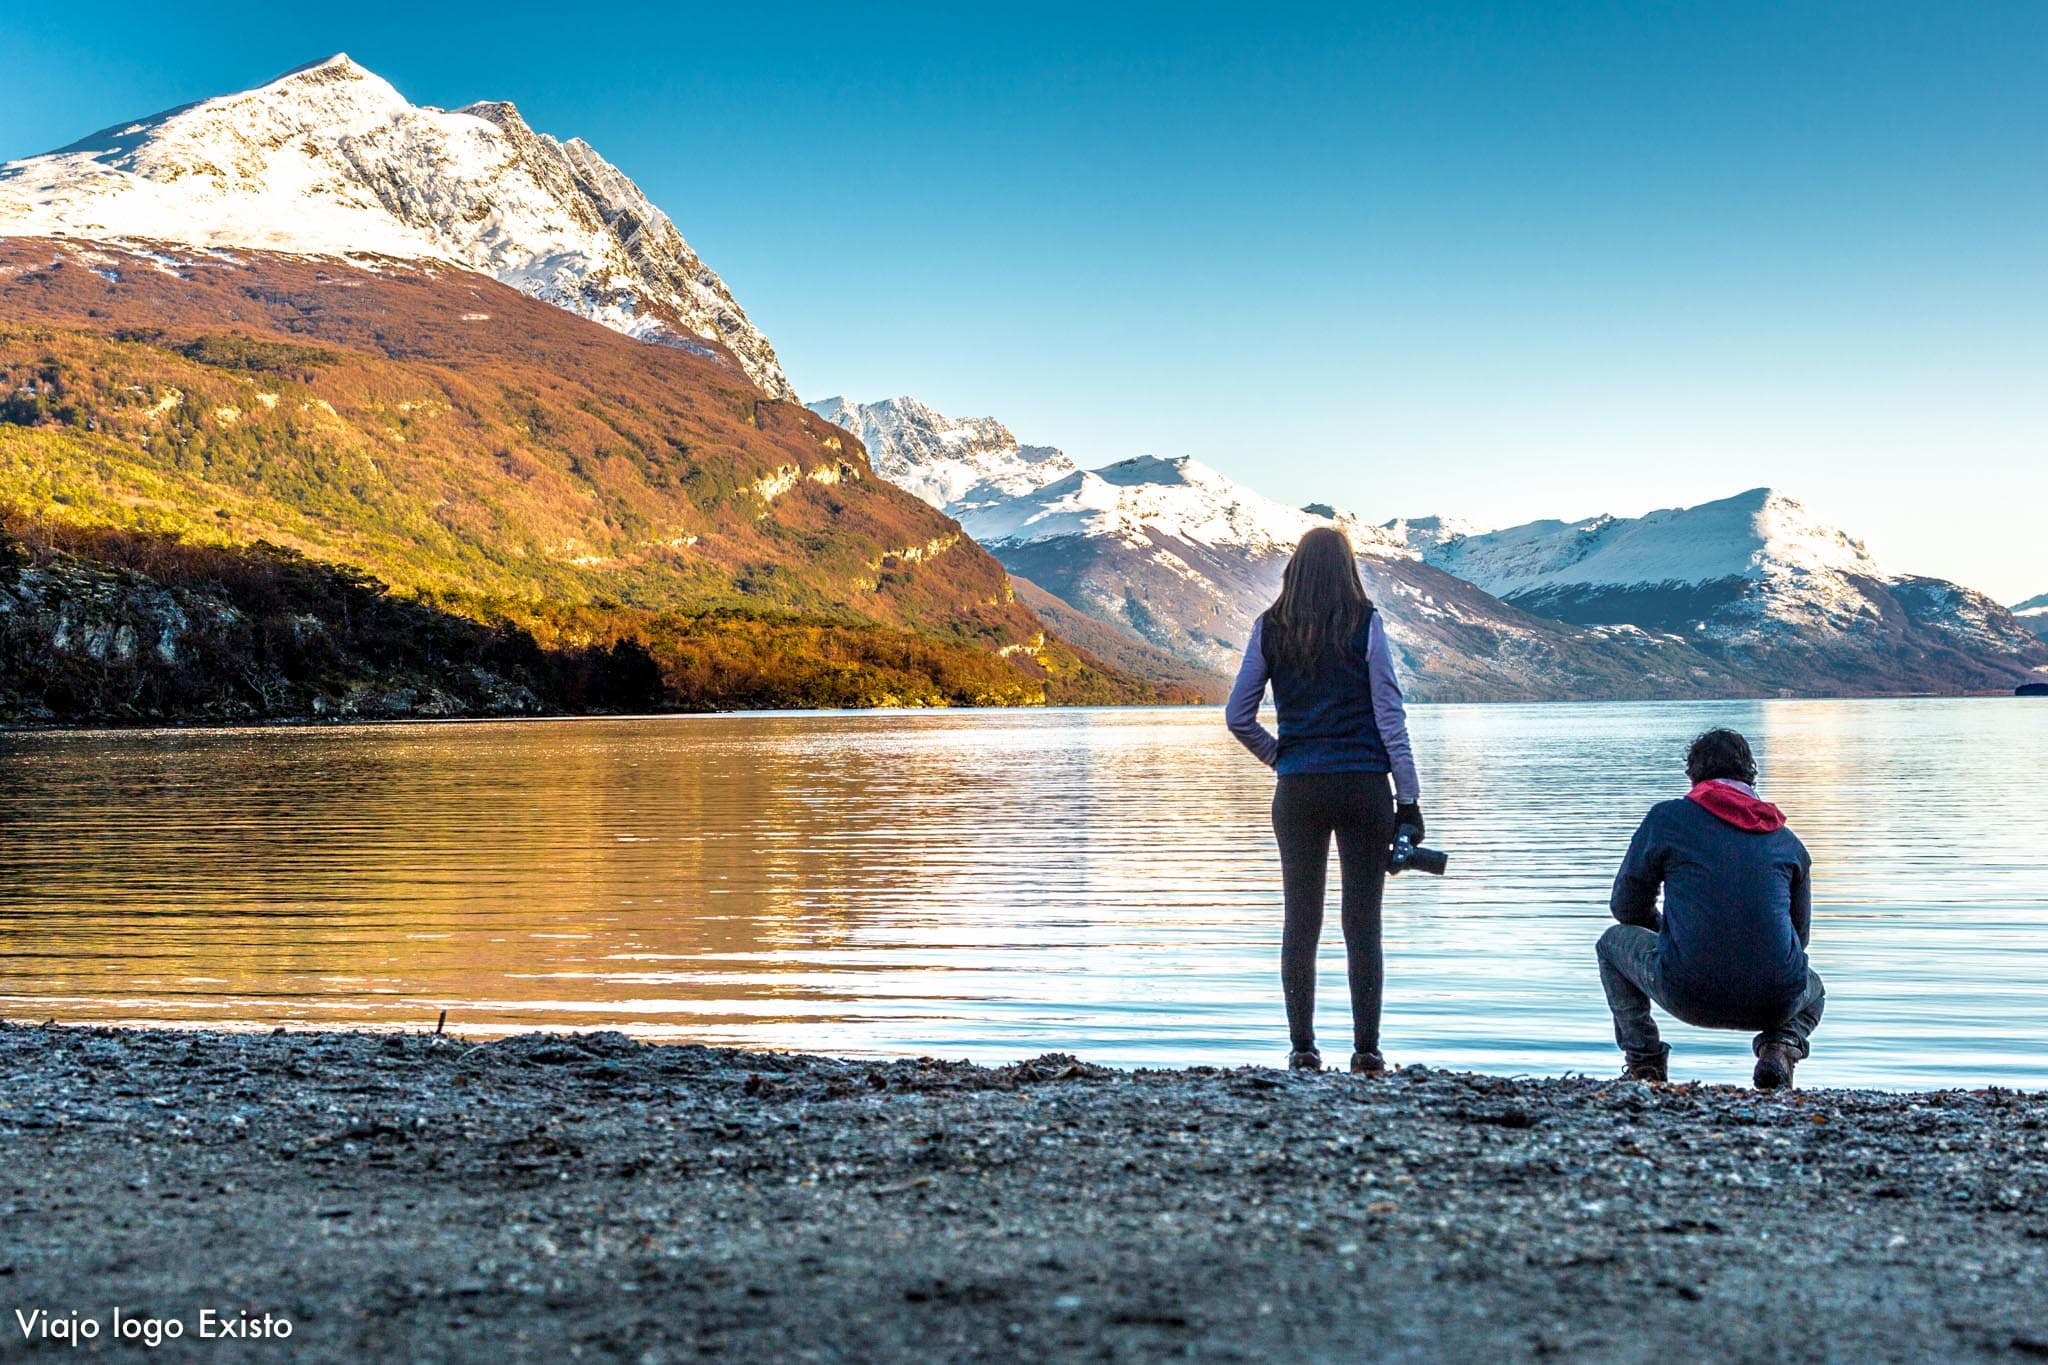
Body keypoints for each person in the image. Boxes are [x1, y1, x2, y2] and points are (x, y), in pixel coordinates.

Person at [1225, 526, 1421, 1075]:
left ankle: (1303, 1050)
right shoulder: (1367, 623)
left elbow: (1238, 716)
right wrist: (1408, 798)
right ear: (1347, 569)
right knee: (1363, 925)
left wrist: (1280, 757)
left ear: (1295, 568)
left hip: (1299, 791)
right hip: (1364, 788)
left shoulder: (1270, 627)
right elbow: (1390, 717)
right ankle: (1366, 1051)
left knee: (1300, 923)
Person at [1597, 728, 1825, 1090]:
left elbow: (1626, 908)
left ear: (1692, 776)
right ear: (1751, 776)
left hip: (1686, 992)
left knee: (1611, 943)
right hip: (1775, 1001)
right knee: (1813, 987)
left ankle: (1645, 1065)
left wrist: (1672, 938)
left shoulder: (1667, 820)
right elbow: (1800, 938)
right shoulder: (1788, 842)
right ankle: (1780, 1047)